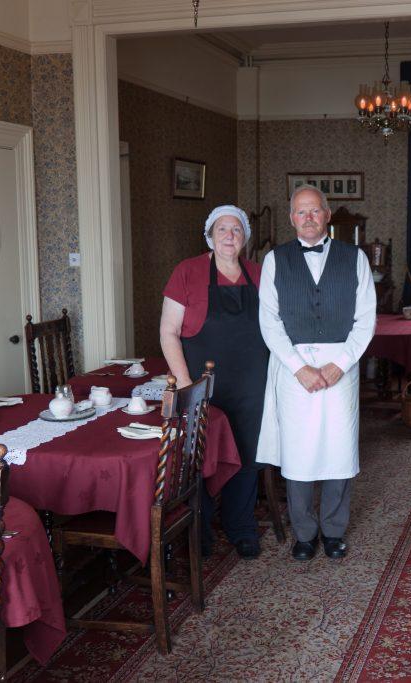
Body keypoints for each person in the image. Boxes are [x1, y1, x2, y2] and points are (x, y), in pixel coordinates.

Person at [257, 185, 376, 560]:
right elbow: (269, 321)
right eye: (300, 212)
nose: (308, 218)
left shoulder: (355, 258)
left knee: (339, 448)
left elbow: (366, 319)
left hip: (342, 365)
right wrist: (299, 368)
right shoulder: (275, 260)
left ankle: (334, 530)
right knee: (299, 451)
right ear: (292, 218)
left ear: (326, 214)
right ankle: (305, 533)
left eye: (314, 211)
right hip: (293, 368)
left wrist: (340, 364)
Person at [159, 205, 269, 559]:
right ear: (210, 236)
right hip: (202, 383)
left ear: (244, 238)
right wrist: (186, 384)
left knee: (247, 454)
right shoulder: (187, 271)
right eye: (222, 229)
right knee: (198, 457)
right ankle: (199, 531)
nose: (229, 236)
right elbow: (168, 331)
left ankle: (242, 528)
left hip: (252, 382)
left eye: (236, 230)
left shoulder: (259, 273)